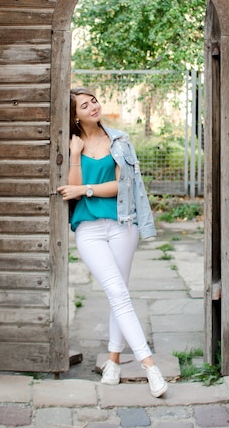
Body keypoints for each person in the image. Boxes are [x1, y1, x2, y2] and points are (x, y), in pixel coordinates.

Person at [57, 87, 168, 398]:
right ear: (74, 115)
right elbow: (71, 188)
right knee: (118, 292)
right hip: (89, 230)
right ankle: (150, 366)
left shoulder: (119, 140)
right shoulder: (71, 145)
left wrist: (85, 191)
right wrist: (76, 157)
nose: (93, 106)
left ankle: (114, 361)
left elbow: (121, 185)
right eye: (84, 105)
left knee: (119, 293)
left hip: (122, 225)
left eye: (94, 101)